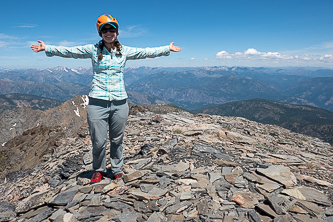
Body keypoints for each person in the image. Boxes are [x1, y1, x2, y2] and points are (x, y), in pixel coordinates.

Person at [31, 14, 181, 184]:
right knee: (98, 140)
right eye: (105, 30)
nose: (108, 32)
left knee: (117, 139)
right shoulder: (93, 49)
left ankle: (117, 169)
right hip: (97, 102)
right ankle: (99, 169)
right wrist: (47, 48)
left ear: (117, 32)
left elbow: (145, 52)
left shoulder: (124, 51)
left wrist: (167, 49)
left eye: (111, 29)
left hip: (120, 102)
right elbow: (71, 51)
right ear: (100, 33)